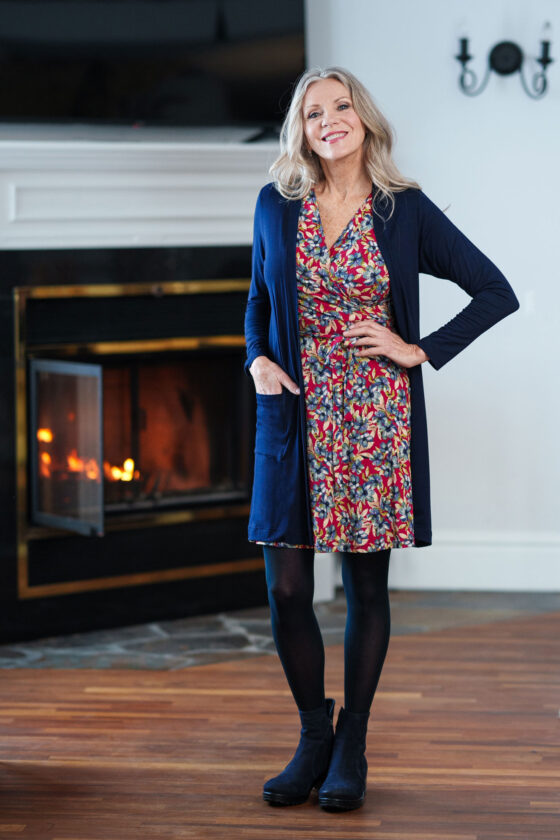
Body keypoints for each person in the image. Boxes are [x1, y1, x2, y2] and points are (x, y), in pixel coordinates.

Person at [244, 67, 519, 812]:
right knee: (288, 589)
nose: (328, 121)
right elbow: (259, 299)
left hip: (373, 422)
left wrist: (417, 348)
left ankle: (353, 740)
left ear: (363, 119)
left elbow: (496, 290)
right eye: (312, 113)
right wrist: (258, 358)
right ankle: (313, 737)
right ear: (300, 131)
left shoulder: (405, 211)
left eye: (340, 107)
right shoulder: (278, 205)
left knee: (367, 587)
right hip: (296, 420)